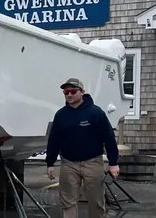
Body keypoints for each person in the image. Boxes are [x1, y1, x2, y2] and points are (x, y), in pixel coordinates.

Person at [44, 78, 120, 218]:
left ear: (82, 92)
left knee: (96, 202)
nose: (69, 95)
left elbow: (109, 138)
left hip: (92, 162)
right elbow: (54, 140)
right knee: (68, 202)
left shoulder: (96, 113)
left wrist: (113, 163)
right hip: (68, 164)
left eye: (73, 91)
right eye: (66, 92)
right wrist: (50, 163)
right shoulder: (60, 115)